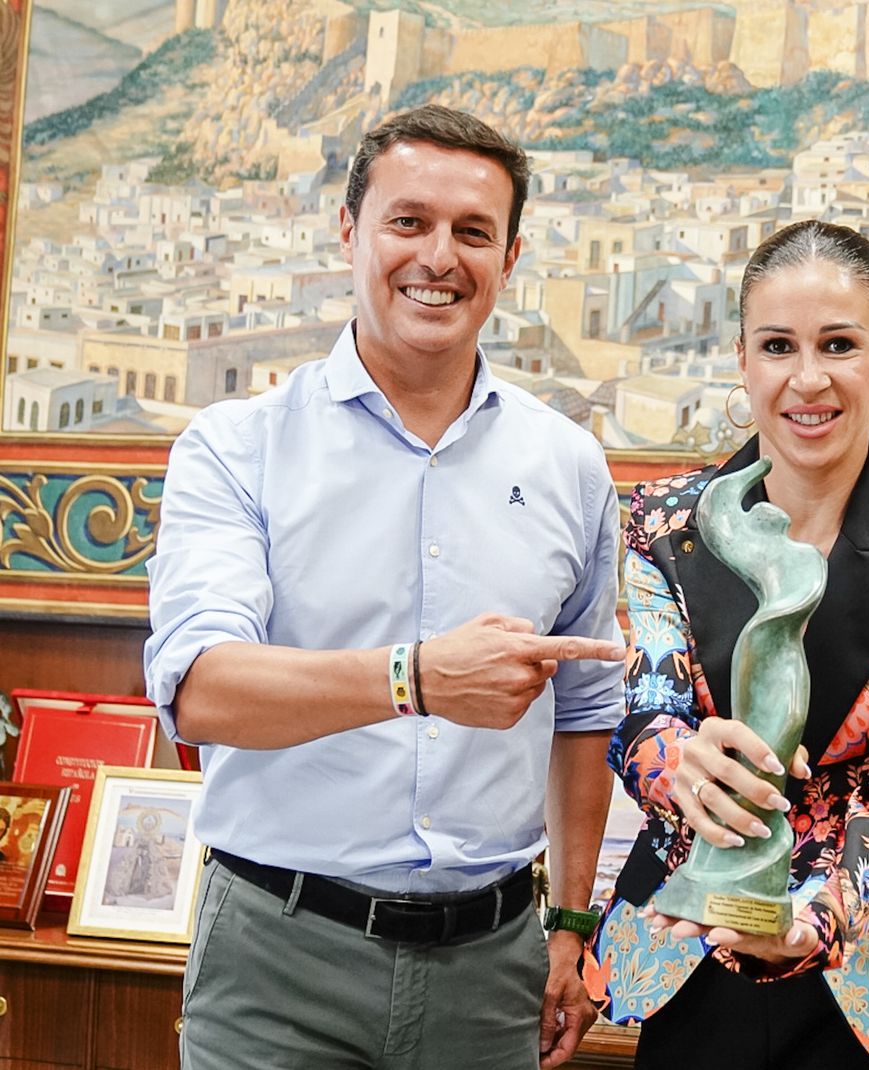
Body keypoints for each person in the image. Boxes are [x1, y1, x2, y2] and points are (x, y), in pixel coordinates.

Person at [143, 105, 625, 1070]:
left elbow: (587, 711)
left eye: (472, 232)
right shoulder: (236, 447)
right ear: (349, 231)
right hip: (278, 964)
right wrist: (414, 679)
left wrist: (571, 921)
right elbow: (199, 690)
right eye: (408, 222)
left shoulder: (570, 464)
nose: (439, 257)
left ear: (511, 256)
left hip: (494, 971)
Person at [583, 221, 869, 1070]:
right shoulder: (663, 523)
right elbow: (643, 721)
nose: (809, 379)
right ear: (743, 359)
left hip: (867, 958)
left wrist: (812, 922)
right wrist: (681, 765)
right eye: (779, 345)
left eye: (839, 344)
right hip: (685, 937)